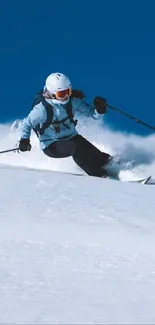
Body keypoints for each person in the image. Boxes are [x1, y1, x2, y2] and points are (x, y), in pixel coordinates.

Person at [19, 72, 120, 178]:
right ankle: (99, 175)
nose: (66, 96)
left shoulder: (73, 102)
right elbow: (26, 124)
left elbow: (93, 114)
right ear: (52, 93)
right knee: (76, 148)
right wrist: (24, 140)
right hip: (52, 144)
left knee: (87, 148)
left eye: (68, 92)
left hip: (72, 137)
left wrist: (100, 109)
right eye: (61, 94)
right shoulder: (42, 109)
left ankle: (109, 163)